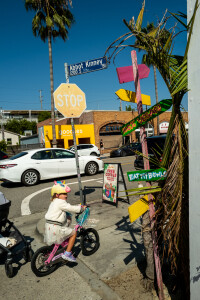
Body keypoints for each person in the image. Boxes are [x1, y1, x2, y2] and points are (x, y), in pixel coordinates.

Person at [44, 181, 86, 262]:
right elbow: (70, 208)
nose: (66, 195)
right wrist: (81, 208)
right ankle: (67, 254)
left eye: (66, 194)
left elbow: (62, 210)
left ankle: (51, 252)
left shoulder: (53, 201)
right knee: (74, 233)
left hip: (49, 226)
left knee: (58, 239)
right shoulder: (60, 202)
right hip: (56, 227)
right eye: (63, 194)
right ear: (57, 195)